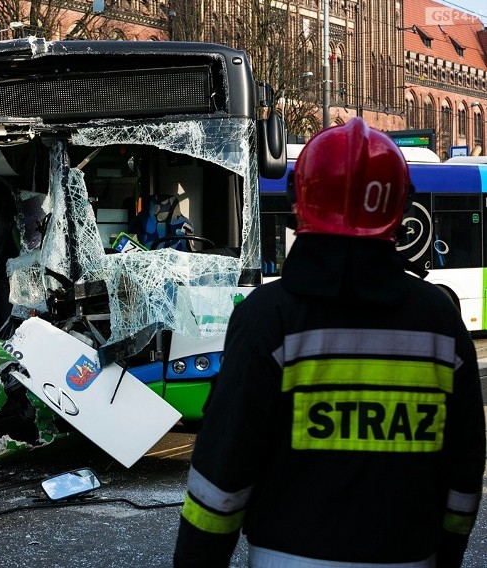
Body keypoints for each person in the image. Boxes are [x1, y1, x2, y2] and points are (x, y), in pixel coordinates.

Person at [173, 118, 485, 568]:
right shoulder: (440, 323)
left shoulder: (267, 318)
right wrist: (445, 554)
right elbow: (464, 471)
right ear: (400, 209)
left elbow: (222, 475)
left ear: (300, 204)